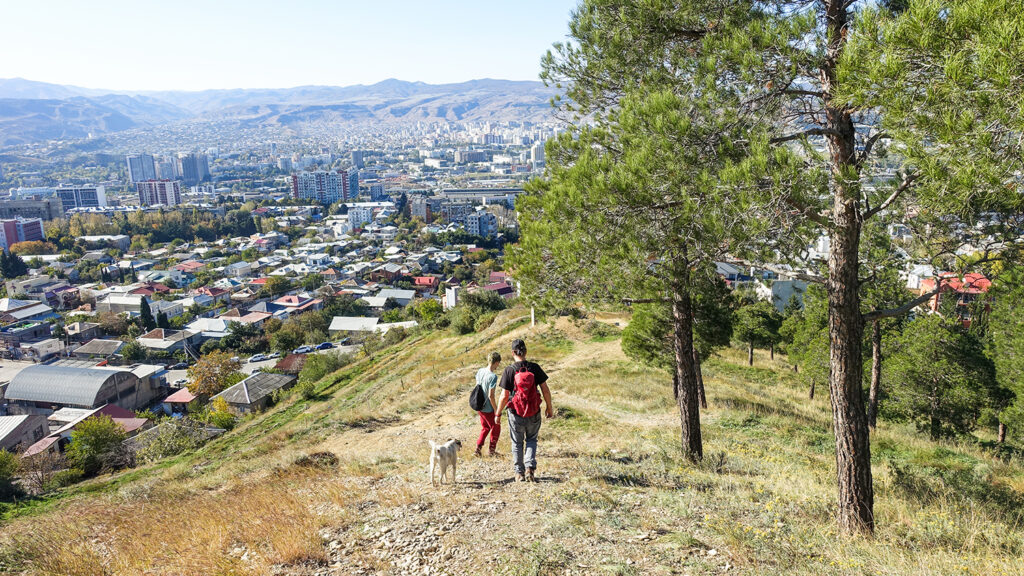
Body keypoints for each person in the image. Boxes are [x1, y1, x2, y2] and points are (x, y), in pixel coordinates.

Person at [494, 339, 553, 482]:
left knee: (517, 442)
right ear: (526, 351)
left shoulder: (509, 370)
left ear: (513, 352)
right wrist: (549, 407)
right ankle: (530, 469)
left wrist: (498, 413)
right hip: (534, 411)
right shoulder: (534, 368)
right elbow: (545, 389)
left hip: (516, 413)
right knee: (532, 439)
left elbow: (504, 396)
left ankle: (519, 473)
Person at [474, 351, 503, 457]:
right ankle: (492, 451)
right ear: (496, 362)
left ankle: (477, 449)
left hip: (479, 405)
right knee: (496, 427)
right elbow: (491, 395)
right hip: (488, 408)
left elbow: (478, 387)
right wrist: (496, 410)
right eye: (498, 363)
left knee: (485, 427)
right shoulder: (493, 377)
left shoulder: (480, 371)